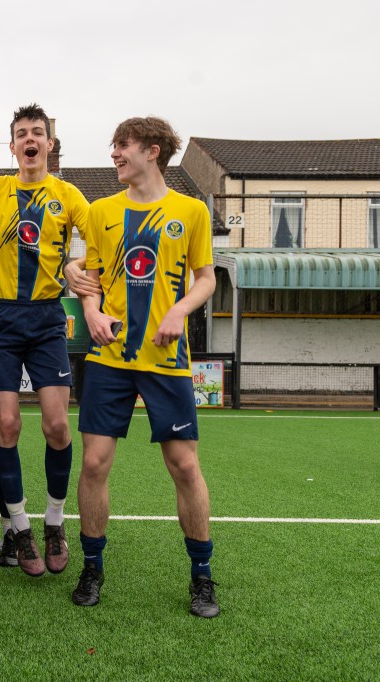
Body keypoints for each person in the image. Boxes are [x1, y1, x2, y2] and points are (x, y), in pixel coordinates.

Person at [71, 116, 219, 618]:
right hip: (109, 358)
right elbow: (89, 280)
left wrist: (180, 310)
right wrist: (91, 313)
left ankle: (202, 575)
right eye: (114, 145)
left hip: (166, 360)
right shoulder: (101, 211)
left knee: (184, 466)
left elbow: (206, 278)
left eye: (123, 145)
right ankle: (92, 567)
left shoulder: (191, 210)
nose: (114, 153)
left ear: (153, 151)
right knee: (94, 464)